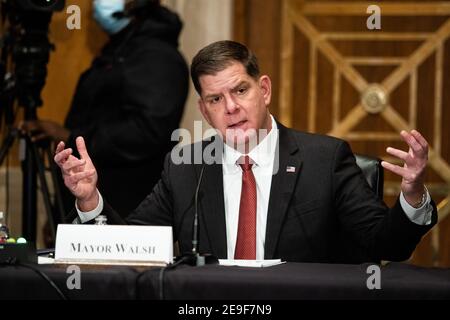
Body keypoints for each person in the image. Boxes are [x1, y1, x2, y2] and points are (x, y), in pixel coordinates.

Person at [54, 40, 437, 263]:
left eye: (240, 91)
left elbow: (388, 244)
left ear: (264, 90)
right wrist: (90, 201)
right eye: (216, 99)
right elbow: (131, 251)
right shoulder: (186, 166)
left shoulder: (325, 160)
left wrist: (413, 195)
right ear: (204, 111)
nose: (231, 108)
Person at [23, 0, 189, 216]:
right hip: (90, 204)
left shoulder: (158, 56)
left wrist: (71, 136)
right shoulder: (118, 49)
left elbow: (147, 131)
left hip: (127, 211)